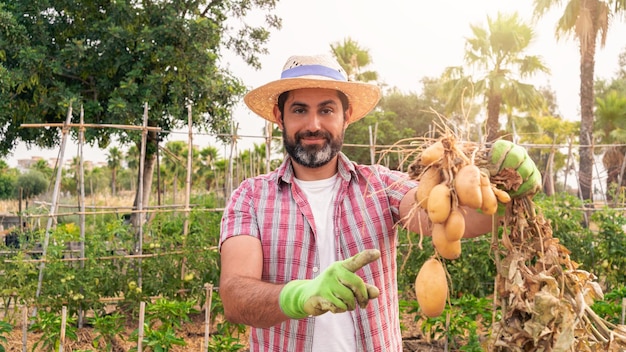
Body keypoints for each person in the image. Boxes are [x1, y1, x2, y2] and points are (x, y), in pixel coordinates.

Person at [219, 54, 541, 351]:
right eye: (300, 110)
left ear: (347, 116)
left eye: (327, 110)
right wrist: (299, 296)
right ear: (280, 116)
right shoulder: (250, 197)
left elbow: (444, 218)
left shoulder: (380, 185)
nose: (313, 125)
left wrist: (511, 191)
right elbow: (234, 296)